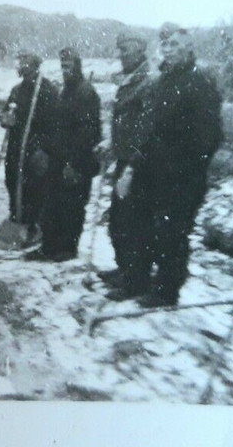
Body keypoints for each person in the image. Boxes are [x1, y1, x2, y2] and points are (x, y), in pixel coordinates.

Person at [109, 23, 223, 307]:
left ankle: (165, 292)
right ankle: (136, 281)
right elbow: (146, 129)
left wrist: (179, 167)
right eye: (165, 45)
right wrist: (133, 166)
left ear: (188, 48)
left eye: (174, 45)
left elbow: (209, 139)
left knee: (172, 236)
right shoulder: (162, 82)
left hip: (182, 177)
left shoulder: (200, 83)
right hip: (151, 171)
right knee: (139, 227)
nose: (168, 51)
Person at [26, 47, 102, 261]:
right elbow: (57, 127)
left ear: (77, 66)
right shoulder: (66, 91)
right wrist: (46, 151)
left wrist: (74, 164)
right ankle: (49, 247)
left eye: (68, 66)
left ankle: (67, 250)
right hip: (60, 160)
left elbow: (88, 134)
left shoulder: (85, 92)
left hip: (76, 162)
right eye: (62, 66)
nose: (65, 70)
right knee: (53, 205)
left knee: (72, 208)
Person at [99, 33, 155, 288]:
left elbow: (146, 129)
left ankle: (136, 279)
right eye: (119, 49)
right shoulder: (131, 79)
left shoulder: (148, 81)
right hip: (124, 159)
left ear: (141, 50)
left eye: (127, 49)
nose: (121, 55)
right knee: (119, 221)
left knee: (134, 223)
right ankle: (125, 269)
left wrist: (132, 165)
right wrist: (112, 145)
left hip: (139, 164)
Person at [0, 52, 59, 240]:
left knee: (33, 187)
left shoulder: (47, 90)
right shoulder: (17, 90)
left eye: (24, 63)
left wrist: (44, 149)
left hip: (36, 148)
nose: (20, 67)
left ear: (34, 66)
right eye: (20, 63)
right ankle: (16, 219)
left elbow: (54, 124)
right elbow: (5, 113)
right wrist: (5, 119)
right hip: (16, 146)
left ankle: (33, 227)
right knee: (12, 180)